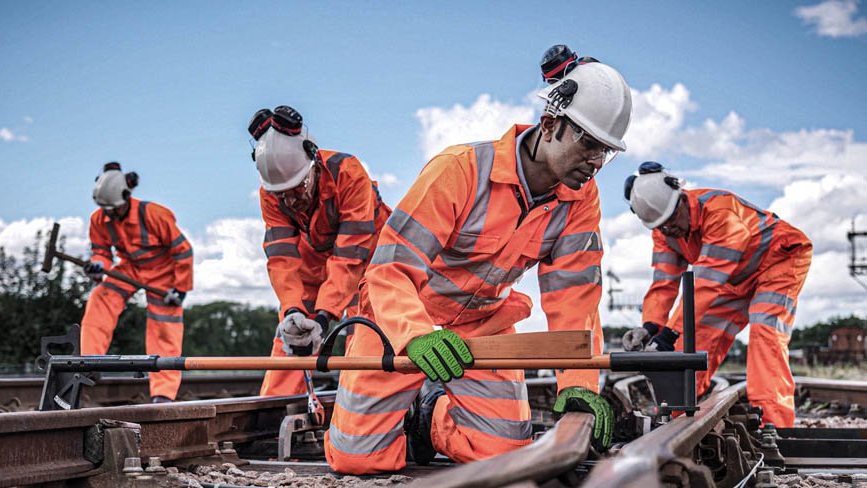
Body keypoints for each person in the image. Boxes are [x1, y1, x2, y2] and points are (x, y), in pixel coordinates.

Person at [324, 60, 633, 474]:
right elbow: (392, 267)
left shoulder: (580, 201)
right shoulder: (460, 170)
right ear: (548, 125)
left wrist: (578, 386)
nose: (595, 161)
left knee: (502, 457)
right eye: (588, 144)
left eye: (605, 151)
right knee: (356, 458)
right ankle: (393, 413)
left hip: (482, 326)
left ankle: (428, 414)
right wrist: (416, 335)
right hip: (398, 323)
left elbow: (575, 301)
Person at [622, 162, 812, 427]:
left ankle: (774, 426)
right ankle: (679, 415)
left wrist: (669, 332)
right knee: (692, 340)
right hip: (733, 278)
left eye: (672, 220)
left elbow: (707, 282)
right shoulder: (664, 233)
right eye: (662, 226)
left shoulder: (720, 212)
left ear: (682, 200)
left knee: (764, 333)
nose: (670, 230)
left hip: (778, 261)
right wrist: (651, 326)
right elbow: (664, 284)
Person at [247, 105, 392, 396]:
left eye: (298, 189)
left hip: (374, 259)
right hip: (316, 259)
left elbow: (350, 257)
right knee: (293, 335)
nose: (292, 201)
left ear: (313, 163)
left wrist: (325, 316)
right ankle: (274, 410)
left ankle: (359, 402)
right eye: (282, 195)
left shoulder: (348, 174)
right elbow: (281, 258)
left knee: (367, 333)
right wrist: (292, 310)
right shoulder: (272, 194)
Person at [81, 162, 194, 403]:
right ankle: (89, 362)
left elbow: (183, 252)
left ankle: (163, 393)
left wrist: (180, 289)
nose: (109, 215)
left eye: (113, 210)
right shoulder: (99, 218)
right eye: (105, 210)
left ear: (126, 197)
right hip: (130, 268)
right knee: (101, 297)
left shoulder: (155, 215)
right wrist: (99, 267)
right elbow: (101, 251)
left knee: (164, 328)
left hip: (163, 272)